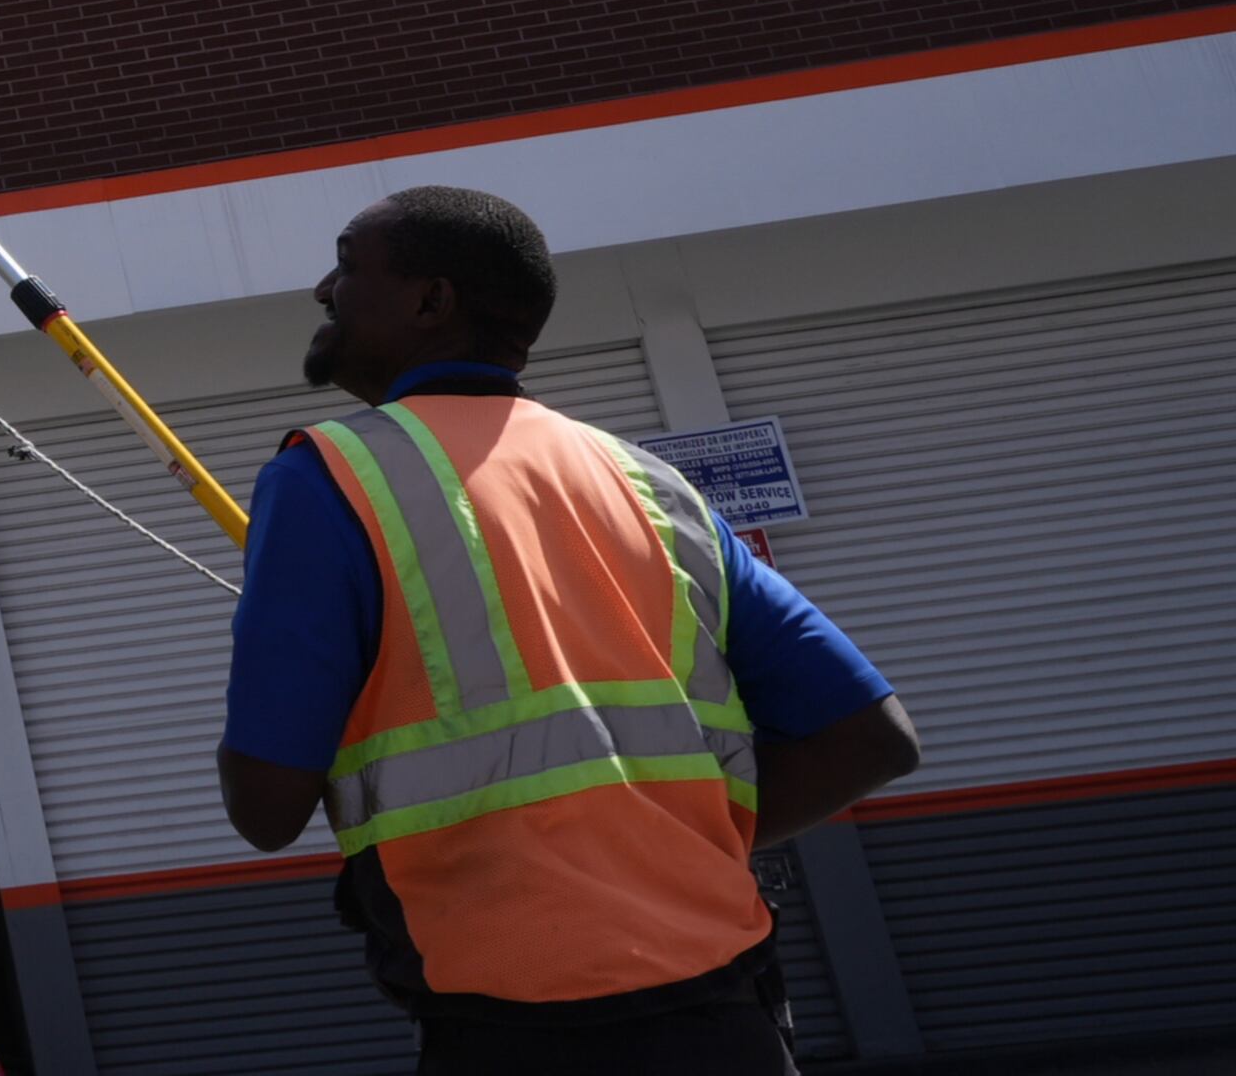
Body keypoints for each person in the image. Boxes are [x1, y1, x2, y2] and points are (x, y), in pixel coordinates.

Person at [216, 186, 923, 1075]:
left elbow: (266, 808)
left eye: (349, 265)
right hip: (727, 1012)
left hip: (512, 1032)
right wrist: (668, 848)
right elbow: (871, 737)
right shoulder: (647, 484)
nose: (324, 289)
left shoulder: (325, 478)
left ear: (432, 301)